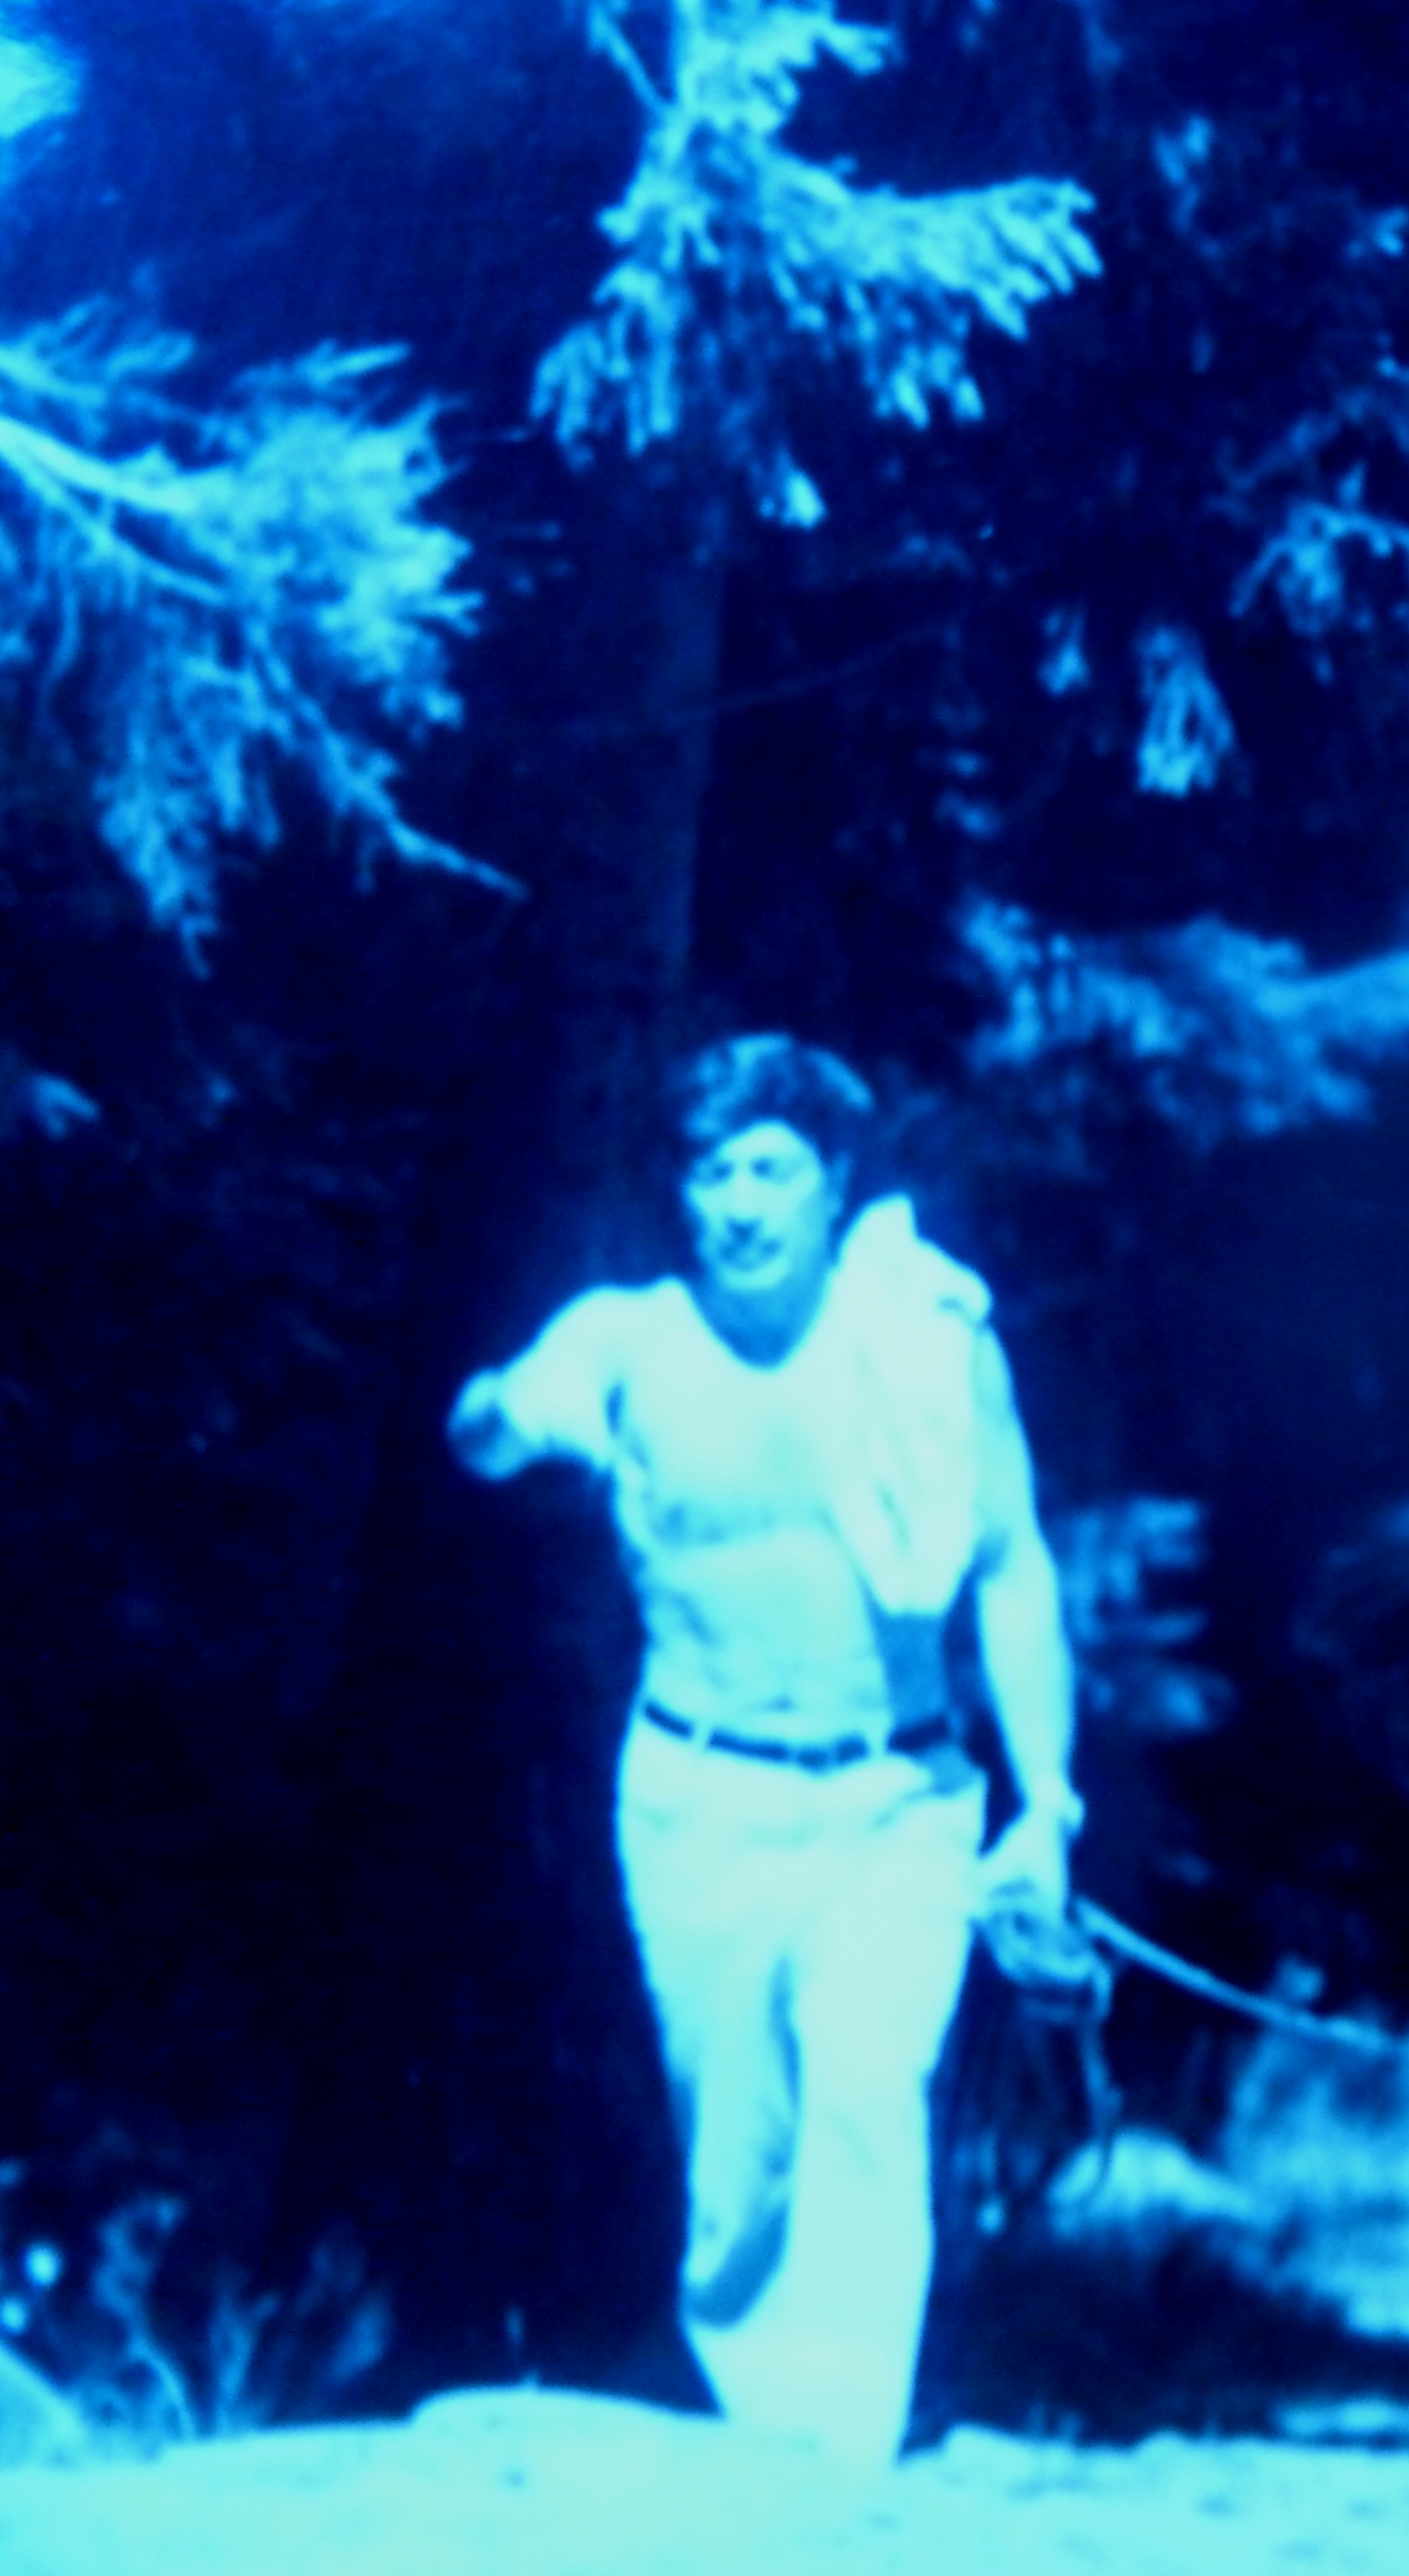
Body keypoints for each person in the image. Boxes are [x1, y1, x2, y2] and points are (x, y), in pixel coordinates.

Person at [449, 1034, 1081, 2466]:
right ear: (683, 1193)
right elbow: (501, 1420)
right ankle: (764, 2437)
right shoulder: (629, 1343)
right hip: (698, 1803)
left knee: (866, 2085)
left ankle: (837, 2461)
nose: (740, 1205)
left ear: (833, 1182)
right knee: (737, 2169)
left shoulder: (925, 1344)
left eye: (772, 1170)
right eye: (713, 1172)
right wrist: (497, 1418)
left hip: (895, 1799)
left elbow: (1014, 1570)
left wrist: (1046, 1804)